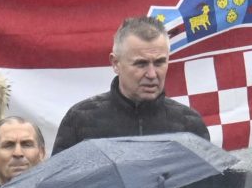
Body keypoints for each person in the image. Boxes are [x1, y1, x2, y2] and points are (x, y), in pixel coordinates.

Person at [54, 17, 208, 149]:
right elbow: (60, 182)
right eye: (141, 64)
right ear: (115, 63)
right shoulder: (80, 120)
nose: (152, 74)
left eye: (159, 62)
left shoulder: (189, 124)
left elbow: (210, 183)